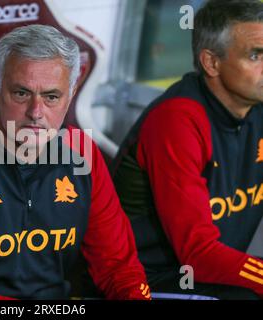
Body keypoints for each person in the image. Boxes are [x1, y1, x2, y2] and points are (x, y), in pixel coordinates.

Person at [0, 24, 150, 300]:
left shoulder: (81, 150)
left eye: (51, 97)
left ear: (69, 96)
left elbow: (119, 269)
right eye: (21, 93)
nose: (36, 112)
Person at [111, 0, 263, 299]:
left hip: (210, 276)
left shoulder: (255, 106)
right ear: (211, 63)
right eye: (255, 55)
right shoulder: (177, 120)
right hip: (153, 281)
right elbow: (199, 255)